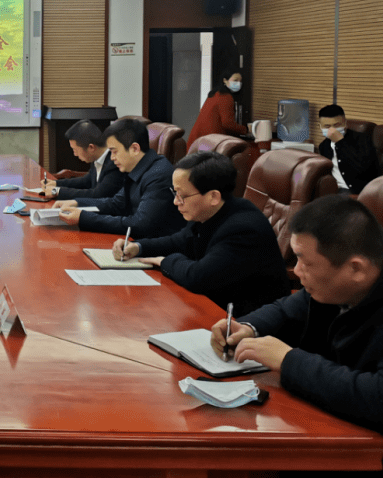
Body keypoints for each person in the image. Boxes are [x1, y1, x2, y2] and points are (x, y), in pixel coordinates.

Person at [211, 195, 383, 434]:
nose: (297, 271)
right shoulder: (332, 287)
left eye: (306, 262)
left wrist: (288, 360)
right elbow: (287, 308)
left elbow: (376, 397)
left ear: (356, 269)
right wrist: (248, 327)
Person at [113, 151, 290, 316]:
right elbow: (180, 241)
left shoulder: (243, 229)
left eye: (182, 196)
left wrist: (165, 261)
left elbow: (198, 277)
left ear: (213, 196)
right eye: (174, 193)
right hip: (215, 306)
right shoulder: (208, 213)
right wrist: (138, 247)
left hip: (246, 322)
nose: (176, 202)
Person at [54, 118, 185, 239]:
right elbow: (116, 203)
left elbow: (140, 224)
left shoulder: (158, 174)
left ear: (134, 148)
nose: (111, 158)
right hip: (133, 242)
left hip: (154, 250)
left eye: (115, 151)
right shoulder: (137, 168)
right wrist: (77, 203)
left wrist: (83, 218)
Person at [41, 120, 122, 200]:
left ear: (91, 147)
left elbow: (98, 194)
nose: (75, 154)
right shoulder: (97, 157)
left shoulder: (114, 163)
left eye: (75, 150)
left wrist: (57, 191)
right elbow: (86, 181)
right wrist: (56, 183)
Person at [317, 104, 380, 195]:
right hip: (333, 191)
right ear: (320, 127)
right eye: (327, 126)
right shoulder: (324, 146)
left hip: (357, 191)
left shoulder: (363, 140)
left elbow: (362, 169)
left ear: (345, 123)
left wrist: (340, 142)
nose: (332, 130)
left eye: (336, 125)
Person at [185, 71, 248, 150]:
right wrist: (245, 130)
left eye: (240, 81)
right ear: (225, 80)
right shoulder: (225, 97)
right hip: (209, 142)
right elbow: (227, 123)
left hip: (198, 140)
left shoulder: (215, 93)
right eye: (235, 80)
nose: (238, 83)